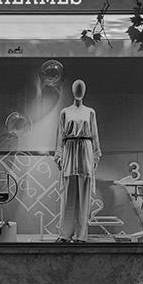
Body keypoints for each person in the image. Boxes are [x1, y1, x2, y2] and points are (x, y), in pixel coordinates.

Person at [53, 79, 101, 241]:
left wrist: (95, 154)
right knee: (68, 197)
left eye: (81, 88)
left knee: (84, 196)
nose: (78, 90)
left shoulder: (90, 112)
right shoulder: (65, 112)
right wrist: (59, 154)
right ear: (73, 90)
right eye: (76, 88)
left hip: (85, 150)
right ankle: (65, 234)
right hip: (70, 149)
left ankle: (81, 235)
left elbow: (94, 135)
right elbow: (60, 134)